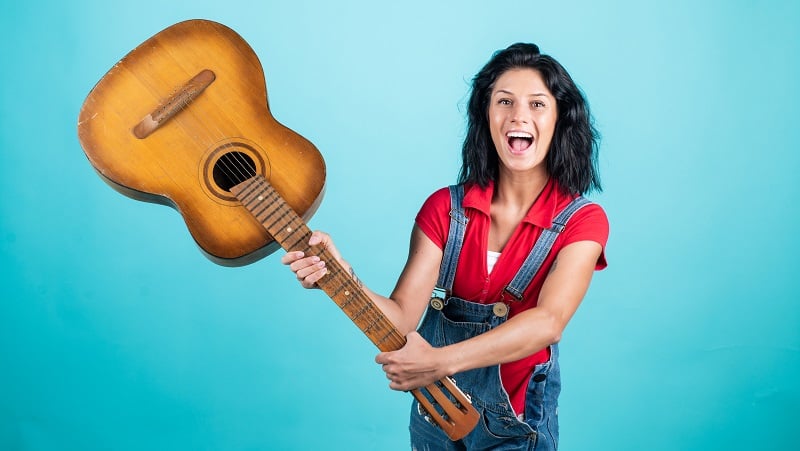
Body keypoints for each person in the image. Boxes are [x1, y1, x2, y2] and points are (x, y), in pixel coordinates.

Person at [282, 43, 609, 450]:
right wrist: (341, 274)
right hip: (436, 413)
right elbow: (401, 319)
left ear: (560, 119)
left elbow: (548, 322)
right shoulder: (445, 209)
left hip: (516, 422)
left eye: (537, 104)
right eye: (503, 101)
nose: (518, 115)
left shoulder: (581, 220)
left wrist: (437, 362)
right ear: (485, 116)